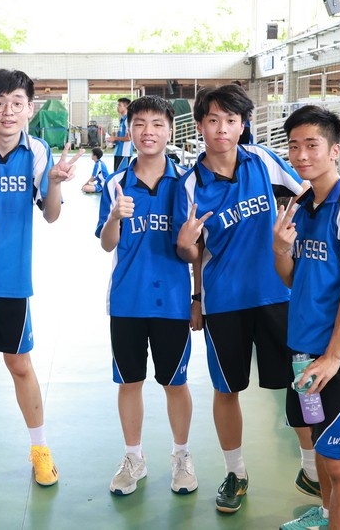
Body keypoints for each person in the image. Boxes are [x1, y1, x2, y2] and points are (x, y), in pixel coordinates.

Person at [173, 84, 316, 515]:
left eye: (231, 120)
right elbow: (191, 252)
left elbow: (308, 194)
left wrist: (298, 244)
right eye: (213, 120)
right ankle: (235, 473)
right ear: (200, 126)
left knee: (301, 380)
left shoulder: (264, 161)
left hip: (278, 293)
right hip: (225, 301)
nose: (222, 128)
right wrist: (190, 269)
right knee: (227, 389)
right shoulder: (190, 184)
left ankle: (312, 467)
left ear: (243, 125)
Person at [0, 68, 81, 489]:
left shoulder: (37, 151)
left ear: (30, 109)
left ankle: (40, 448)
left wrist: (53, 183)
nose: (8, 112)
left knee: (19, 363)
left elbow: (51, 215)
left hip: (10, 274)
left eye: (17, 103)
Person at [274, 105, 340, 530]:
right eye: (294, 146)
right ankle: (325, 514)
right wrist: (280, 248)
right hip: (302, 348)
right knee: (320, 446)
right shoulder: (302, 205)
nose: (301, 155)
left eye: (312, 145)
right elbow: (293, 278)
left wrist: (334, 357)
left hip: (338, 356)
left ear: (334, 150)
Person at [96, 95, 200, 497]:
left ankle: (181, 457)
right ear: (130, 130)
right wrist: (114, 217)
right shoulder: (115, 183)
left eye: (157, 124)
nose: (148, 132)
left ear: (170, 130)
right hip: (128, 300)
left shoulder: (187, 183)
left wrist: (197, 297)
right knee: (130, 382)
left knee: (175, 382)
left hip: (172, 301)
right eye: (139, 124)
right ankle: (133, 458)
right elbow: (107, 244)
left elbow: (196, 251)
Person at [112, 97, 132, 171]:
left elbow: (129, 138)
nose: (117, 107)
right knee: (116, 174)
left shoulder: (128, 119)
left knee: (121, 175)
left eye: (119, 105)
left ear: (126, 106)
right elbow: (121, 136)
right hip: (118, 151)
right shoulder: (122, 120)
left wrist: (115, 138)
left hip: (124, 153)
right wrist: (113, 140)